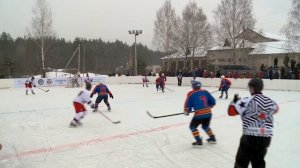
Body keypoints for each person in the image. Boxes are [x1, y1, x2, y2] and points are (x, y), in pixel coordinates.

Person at [227, 78, 279, 168]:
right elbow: (276, 109)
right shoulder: (270, 101)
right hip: (266, 136)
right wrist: (261, 114)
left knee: (241, 162)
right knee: (258, 162)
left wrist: (234, 102)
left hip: (250, 135)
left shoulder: (246, 100)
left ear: (251, 88)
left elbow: (231, 112)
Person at [183, 80, 217, 146]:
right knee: (205, 126)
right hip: (208, 113)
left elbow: (187, 105)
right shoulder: (205, 91)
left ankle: (198, 141)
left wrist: (187, 111)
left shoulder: (191, 94)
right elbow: (213, 102)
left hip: (199, 115)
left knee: (192, 127)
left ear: (193, 86)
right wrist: (208, 107)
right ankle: (212, 138)